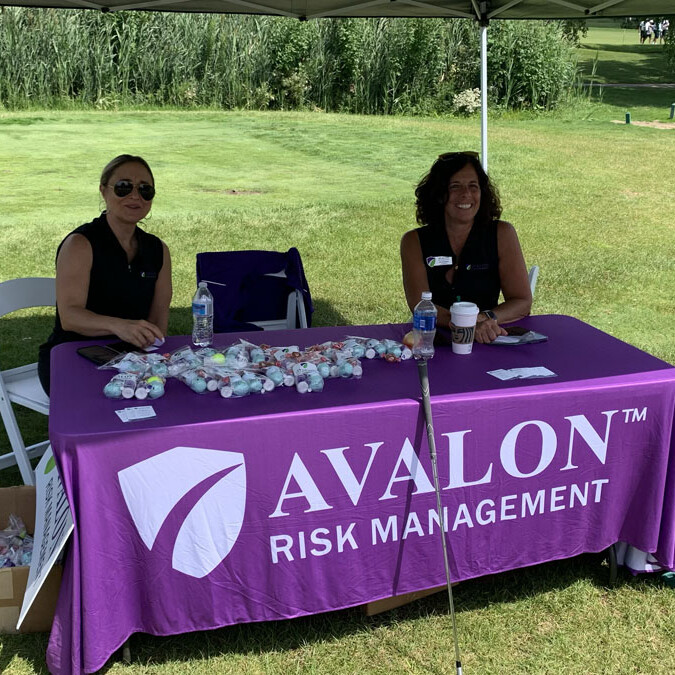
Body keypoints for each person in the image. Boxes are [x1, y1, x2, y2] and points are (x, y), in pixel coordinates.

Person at [38, 154, 172, 395]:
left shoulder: (158, 250)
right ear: (104, 191)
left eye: (145, 189)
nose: (135, 196)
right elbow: (70, 317)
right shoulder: (80, 244)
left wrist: (147, 351)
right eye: (123, 187)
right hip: (73, 353)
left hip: (133, 357)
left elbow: (158, 321)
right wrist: (119, 326)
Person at [400, 151, 532, 344]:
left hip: (488, 339)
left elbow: (522, 301)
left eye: (473, 186)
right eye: (455, 187)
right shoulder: (413, 241)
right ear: (439, 194)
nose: (466, 194)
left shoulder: (502, 234)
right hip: (433, 342)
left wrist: (486, 319)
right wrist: (466, 324)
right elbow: (420, 305)